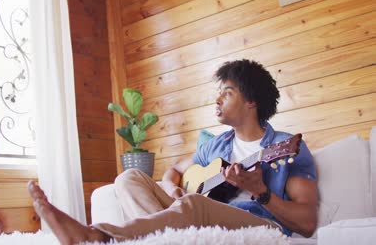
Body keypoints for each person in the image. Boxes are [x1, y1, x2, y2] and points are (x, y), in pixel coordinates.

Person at [28, 59, 318, 244]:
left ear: (251, 101)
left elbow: (306, 223)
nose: (217, 98)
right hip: (199, 215)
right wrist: (171, 188)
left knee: (194, 204)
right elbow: (177, 171)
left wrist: (263, 192)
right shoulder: (216, 146)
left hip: (261, 223)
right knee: (128, 178)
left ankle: (99, 236)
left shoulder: (284, 147)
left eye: (227, 92)